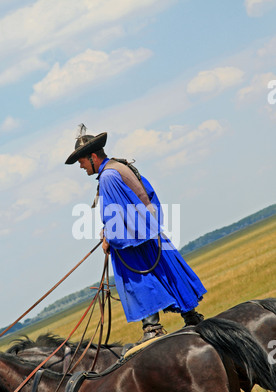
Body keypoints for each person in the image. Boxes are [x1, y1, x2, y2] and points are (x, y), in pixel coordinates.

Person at [66, 125, 207, 343]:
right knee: (164, 273)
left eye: (82, 162)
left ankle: (152, 328)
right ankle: (191, 316)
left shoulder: (108, 177)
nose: (81, 167)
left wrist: (109, 238)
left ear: (93, 156)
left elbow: (119, 213)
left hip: (135, 240)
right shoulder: (118, 166)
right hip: (148, 233)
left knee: (136, 277)